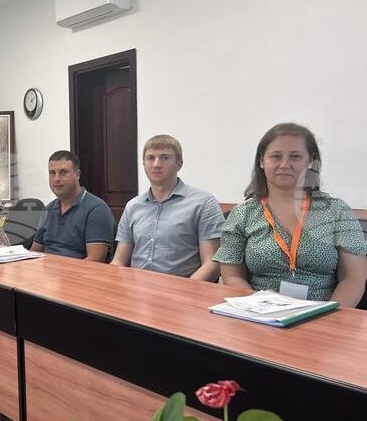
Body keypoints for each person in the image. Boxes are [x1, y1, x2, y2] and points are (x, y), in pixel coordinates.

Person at [214, 123, 367, 306]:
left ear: (310, 161)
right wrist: (260, 310)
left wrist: (330, 317)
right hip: (258, 312)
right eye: (276, 156)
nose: (284, 165)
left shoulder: (337, 211)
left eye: (295, 156)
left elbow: (354, 277)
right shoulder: (242, 214)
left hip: (323, 314)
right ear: (262, 161)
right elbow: (232, 275)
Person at [112, 135, 225, 281]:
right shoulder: (133, 206)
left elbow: (212, 264)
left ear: (179, 164)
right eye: (150, 158)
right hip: (136, 289)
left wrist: (183, 290)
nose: (156, 164)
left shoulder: (203, 203)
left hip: (183, 289)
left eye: (164, 157)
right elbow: (119, 261)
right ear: (144, 164)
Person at [31, 150, 113, 262]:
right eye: (52, 173)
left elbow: (95, 260)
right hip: (46, 270)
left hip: (78, 272)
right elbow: (35, 252)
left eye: (63, 172)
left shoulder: (97, 209)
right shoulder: (48, 209)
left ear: (77, 175)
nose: (56, 179)